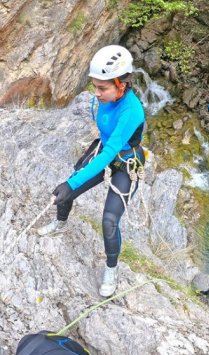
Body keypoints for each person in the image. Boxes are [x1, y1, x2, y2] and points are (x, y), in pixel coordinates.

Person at [36, 45, 146, 298]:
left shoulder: (131, 110)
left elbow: (111, 153)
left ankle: (111, 269)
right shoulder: (105, 99)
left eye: (102, 88)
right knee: (67, 189)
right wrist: (72, 183)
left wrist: (74, 182)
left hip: (125, 161)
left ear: (121, 85)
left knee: (109, 220)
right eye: (95, 86)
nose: (96, 94)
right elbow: (104, 140)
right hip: (105, 150)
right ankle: (61, 222)